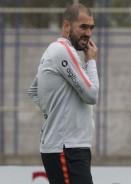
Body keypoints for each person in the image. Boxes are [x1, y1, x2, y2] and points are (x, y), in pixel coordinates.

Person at [28, 3, 99, 184]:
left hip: (68, 146)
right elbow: (92, 95)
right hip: (67, 147)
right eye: (83, 27)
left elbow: (34, 91)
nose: (88, 33)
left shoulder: (54, 51)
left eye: (91, 28)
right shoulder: (63, 50)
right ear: (67, 26)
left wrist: (53, 114)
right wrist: (91, 61)